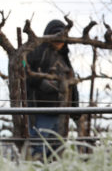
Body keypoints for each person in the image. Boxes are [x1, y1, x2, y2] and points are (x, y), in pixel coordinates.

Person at [25, 19, 80, 160]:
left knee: (57, 151)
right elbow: (24, 70)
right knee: (39, 149)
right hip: (42, 110)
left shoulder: (64, 57)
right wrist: (41, 82)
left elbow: (71, 87)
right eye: (56, 37)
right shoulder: (37, 52)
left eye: (61, 38)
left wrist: (75, 109)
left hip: (61, 113)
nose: (59, 41)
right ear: (48, 37)